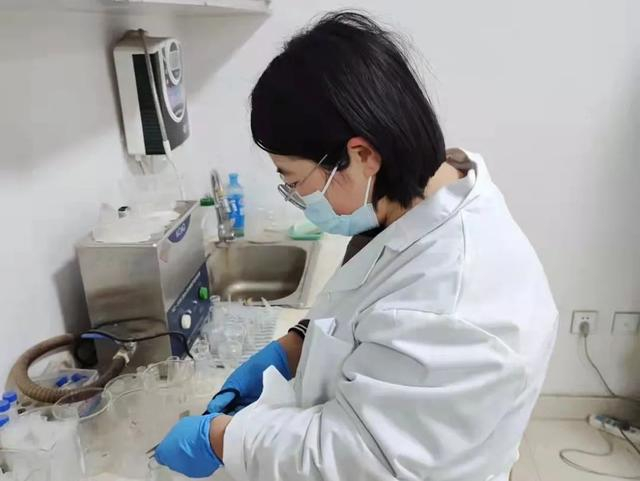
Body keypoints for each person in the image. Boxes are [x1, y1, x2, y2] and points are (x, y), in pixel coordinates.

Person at [155, 11, 558, 481]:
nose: (296, 197)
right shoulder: (423, 192)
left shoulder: (450, 303)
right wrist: (295, 347)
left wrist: (223, 439)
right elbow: (367, 305)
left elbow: (360, 459)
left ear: (362, 155)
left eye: (293, 180)